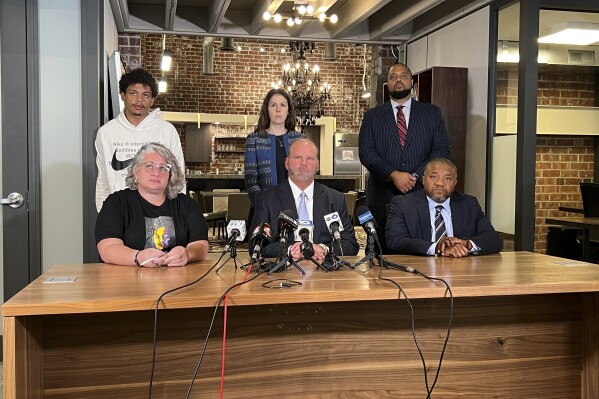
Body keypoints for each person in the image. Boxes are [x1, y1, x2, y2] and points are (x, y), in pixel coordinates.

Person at [358, 63, 451, 251]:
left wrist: (415, 175)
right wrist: (393, 174)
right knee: (380, 253)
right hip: (382, 194)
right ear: (388, 85)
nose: (398, 80)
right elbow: (366, 153)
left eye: (403, 76)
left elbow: (441, 150)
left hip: (420, 192)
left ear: (413, 84)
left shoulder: (431, 113)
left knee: (421, 249)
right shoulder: (372, 116)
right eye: (393, 77)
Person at [96, 143, 209, 267]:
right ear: (136, 172)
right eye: (149, 166)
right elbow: (107, 249)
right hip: (128, 281)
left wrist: (187, 254)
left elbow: (201, 246)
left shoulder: (186, 204)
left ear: (170, 175)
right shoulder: (116, 203)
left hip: (178, 280)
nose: (156, 173)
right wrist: (137, 257)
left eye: (163, 168)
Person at [251, 138, 359, 260]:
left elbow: (350, 244)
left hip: (325, 273)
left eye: (310, 158)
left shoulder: (335, 199)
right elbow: (255, 246)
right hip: (282, 274)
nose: (303, 164)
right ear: (287, 163)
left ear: (317, 164)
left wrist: (323, 249)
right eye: (297, 157)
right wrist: (290, 250)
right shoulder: (266, 199)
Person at [95, 68, 185, 212]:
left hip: (158, 212)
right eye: (133, 93)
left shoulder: (166, 131)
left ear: (152, 100)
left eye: (145, 95)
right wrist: (103, 213)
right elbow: (103, 179)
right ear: (123, 95)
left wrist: (178, 214)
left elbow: (178, 177)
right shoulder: (106, 132)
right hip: (119, 212)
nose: (139, 100)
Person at [386, 158, 501, 257]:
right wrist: (437, 248)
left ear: (455, 182)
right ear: (423, 179)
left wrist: (467, 244)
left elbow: (494, 240)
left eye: (447, 178)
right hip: (419, 271)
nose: (440, 183)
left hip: (460, 271)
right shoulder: (403, 204)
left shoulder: (469, 204)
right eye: (433, 176)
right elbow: (394, 240)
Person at [244, 88, 303, 205]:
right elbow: (251, 180)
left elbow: (305, 174)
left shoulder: (300, 140)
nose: (278, 109)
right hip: (263, 207)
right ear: (267, 109)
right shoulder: (254, 139)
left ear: (288, 110)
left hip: (294, 207)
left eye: (282, 105)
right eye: (273, 105)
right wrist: (264, 204)